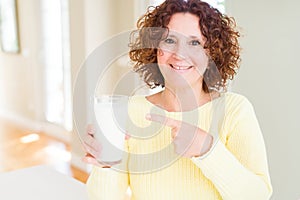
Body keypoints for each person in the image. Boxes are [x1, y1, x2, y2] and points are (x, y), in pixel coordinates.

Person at [82, 0, 273, 199]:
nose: (180, 54)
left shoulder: (235, 110)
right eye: (170, 40)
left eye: (194, 42)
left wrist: (207, 151)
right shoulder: (130, 110)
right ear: (155, 49)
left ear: (212, 53)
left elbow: (259, 195)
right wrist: (106, 164)